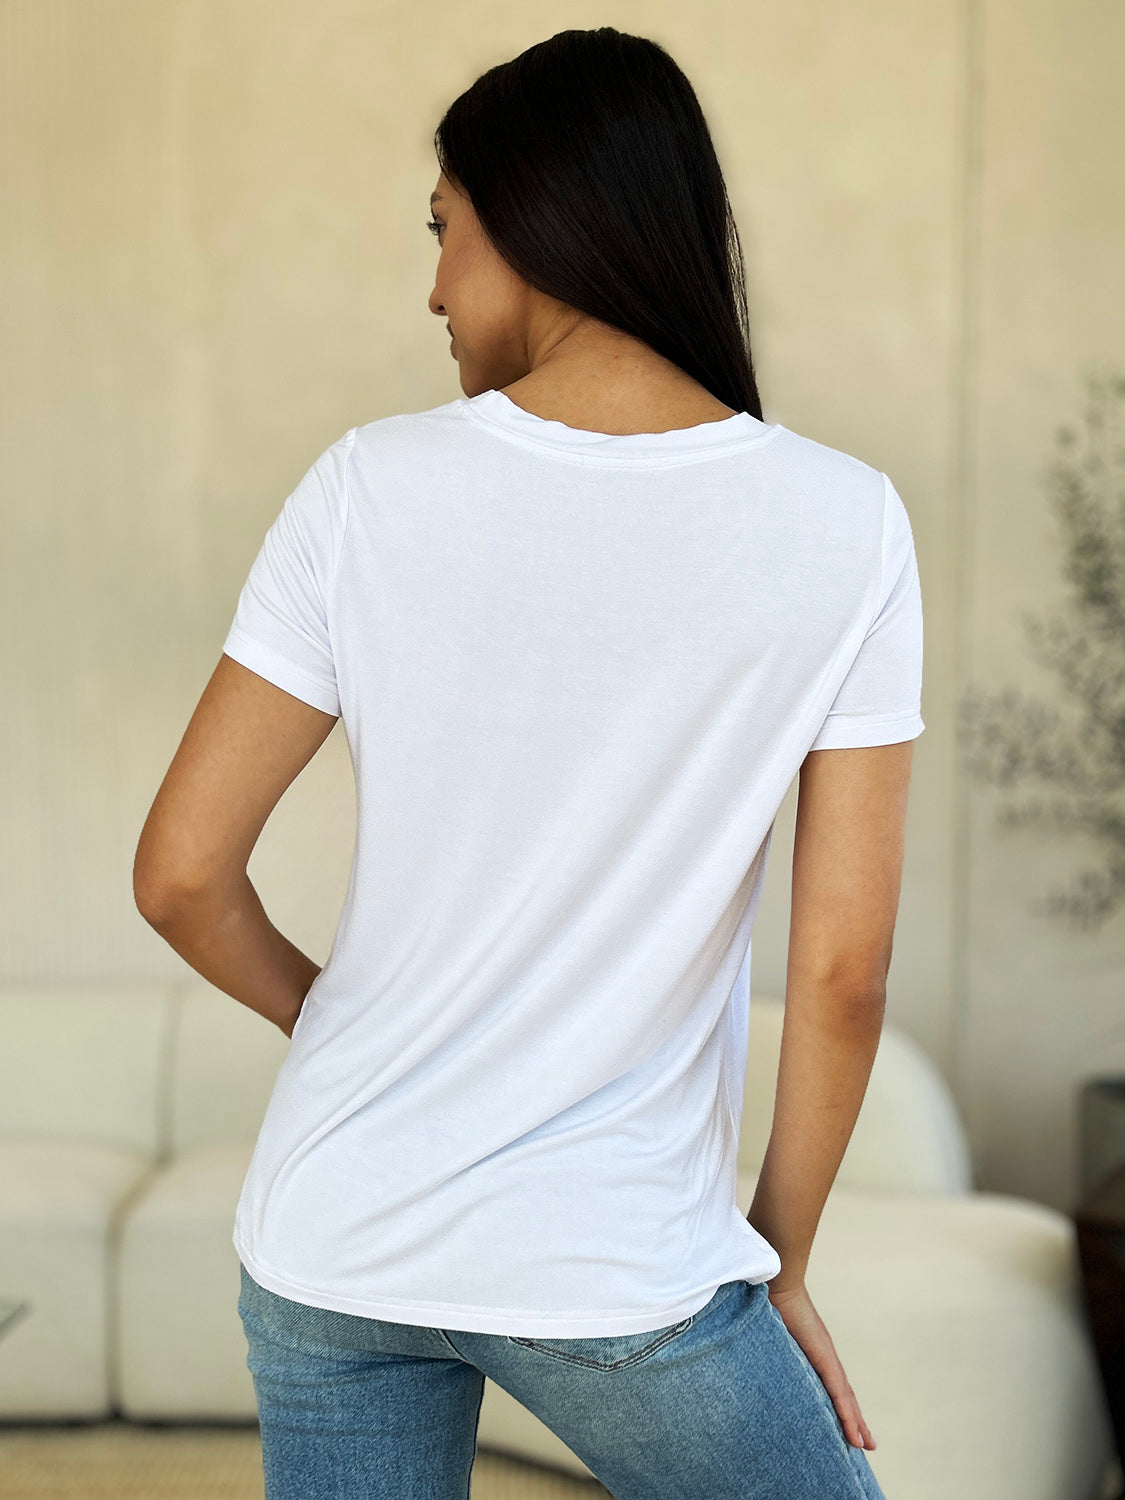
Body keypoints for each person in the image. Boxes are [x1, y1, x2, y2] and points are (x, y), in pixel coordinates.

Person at [133, 26, 922, 1500]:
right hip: (613, 1272)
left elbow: (180, 876)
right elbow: (840, 971)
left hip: (332, 1236)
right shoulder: (842, 524)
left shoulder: (366, 489)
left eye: (444, 232)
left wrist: (343, 1027)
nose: (431, 286)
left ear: (539, 217)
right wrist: (780, 1255)